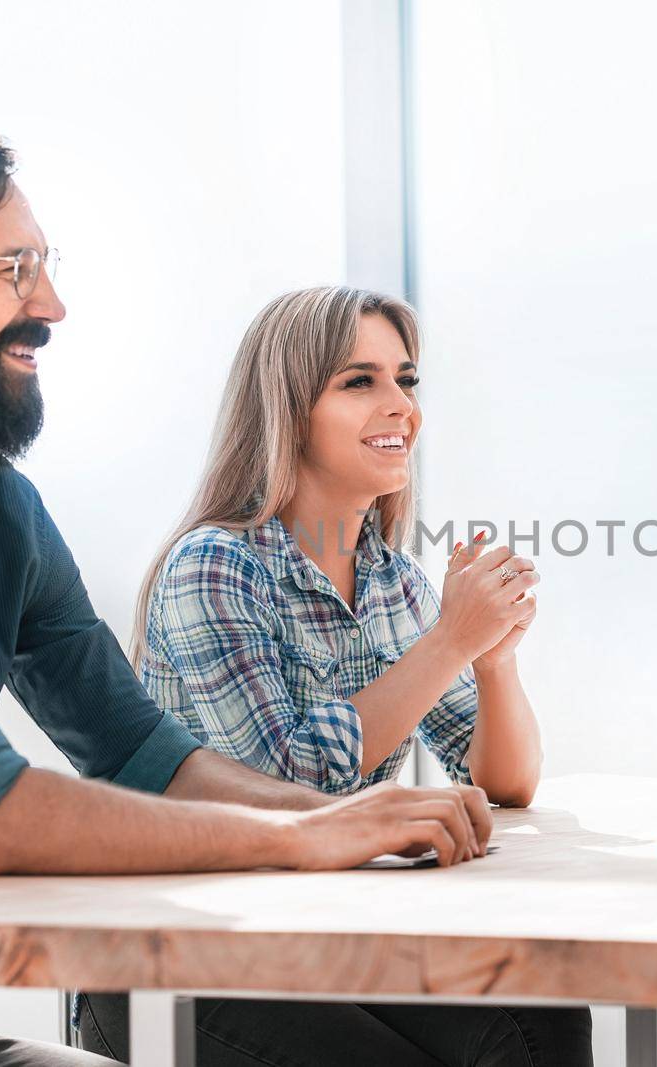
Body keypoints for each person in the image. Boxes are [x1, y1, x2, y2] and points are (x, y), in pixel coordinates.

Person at [0, 128, 491, 1067]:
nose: (51, 305)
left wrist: (328, 816)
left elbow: (142, 752)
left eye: (47, 265)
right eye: (12, 269)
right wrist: (301, 836)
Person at [74, 286, 593, 1064]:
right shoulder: (214, 565)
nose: (401, 407)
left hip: (321, 931)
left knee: (544, 1018)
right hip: (188, 949)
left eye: (406, 380)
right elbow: (279, 785)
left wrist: (493, 661)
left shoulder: (399, 584)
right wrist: (449, 642)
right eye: (360, 381)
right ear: (288, 410)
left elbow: (507, 784)